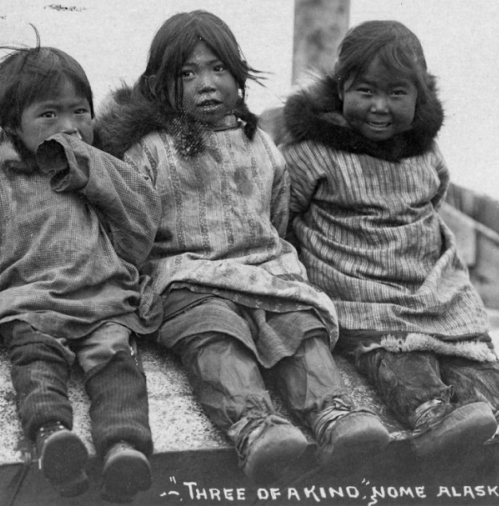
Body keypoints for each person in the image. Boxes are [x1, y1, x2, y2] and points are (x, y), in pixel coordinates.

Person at [93, 10, 390, 484]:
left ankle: (334, 413)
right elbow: (131, 229)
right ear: (161, 84)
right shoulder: (149, 149)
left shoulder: (261, 145)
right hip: (188, 278)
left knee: (299, 327)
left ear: (238, 73)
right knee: (216, 334)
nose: (205, 84)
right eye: (186, 74)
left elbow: (275, 216)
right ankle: (253, 424)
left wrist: (275, 265)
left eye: (218, 69)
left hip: (263, 268)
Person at [279, 20, 499, 464]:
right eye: (365, 91)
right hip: (360, 288)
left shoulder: (425, 153)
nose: (379, 106)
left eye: (397, 94)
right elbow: (281, 215)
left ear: (419, 96)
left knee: (470, 353)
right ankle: (433, 419)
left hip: (429, 285)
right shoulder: (312, 152)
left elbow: (434, 201)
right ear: (340, 90)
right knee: (396, 355)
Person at [0, 38, 161, 502]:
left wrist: (92, 170)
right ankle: (52, 437)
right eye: (49, 115)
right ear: (14, 126)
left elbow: (141, 224)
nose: (69, 126)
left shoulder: (105, 169)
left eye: (79, 112)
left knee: (117, 363)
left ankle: (124, 448)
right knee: (35, 360)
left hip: (103, 299)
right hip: (30, 302)